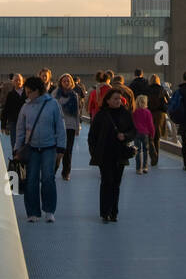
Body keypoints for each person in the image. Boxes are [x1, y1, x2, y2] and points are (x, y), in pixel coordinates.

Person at [14, 76, 66, 223]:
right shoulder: (26, 107)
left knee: (48, 179)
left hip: (49, 148)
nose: (27, 94)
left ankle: (49, 210)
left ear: (38, 91)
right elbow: (20, 130)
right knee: (31, 180)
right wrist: (17, 149)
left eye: (29, 92)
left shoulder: (53, 104)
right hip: (32, 149)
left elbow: (60, 127)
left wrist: (61, 148)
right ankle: (32, 212)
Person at [88, 86, 135, 222]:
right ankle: (105, 212)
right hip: (104, 154)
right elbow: (92, 136)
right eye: (115, 99)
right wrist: (94, 152)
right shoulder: (101, 115)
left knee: (116, 183)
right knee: (106, 181)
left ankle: (114, 212)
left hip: (120, 154)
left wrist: (125, 136)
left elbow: (133, 131)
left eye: (119, 99)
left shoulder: (125, 114)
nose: (117, 101)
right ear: (107, 100)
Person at [54, 74, 80, 180]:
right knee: (58, 150)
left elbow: (77, 113)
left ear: (71, 83)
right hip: (58, 125)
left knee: (68, 150)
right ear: (60, 82)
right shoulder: (55, 94)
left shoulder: (74, 95)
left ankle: (66, 172)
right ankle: (53, 170)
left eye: (68, 81)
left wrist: (77, 127)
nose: (66, 83)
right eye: (64, 81)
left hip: (70, 126)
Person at [146, 74, 169, 166]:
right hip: (160, 115)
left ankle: (152, 155)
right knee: (157, 137)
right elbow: (168, 101)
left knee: (149, 137)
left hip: (149, 114)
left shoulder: (146, 90)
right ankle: (156, 157)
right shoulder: (162, 90)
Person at [0, 73, 26, 151]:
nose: (18, 82)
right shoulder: (11, 95)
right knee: (15, 143)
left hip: (26, 122)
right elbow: (6, 110)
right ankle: (15, 161)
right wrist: (3, 125)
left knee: (25, 143)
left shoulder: (28, 93)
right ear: (13, 82)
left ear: (22, 81)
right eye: (16, 80)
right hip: (14, 122)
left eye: (19, 80)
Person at [132, 95, 154, 174]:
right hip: (145, 133)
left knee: (137, 151)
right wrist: (152, 133)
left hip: (136, 133)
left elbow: (132, 123)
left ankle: (138, 169)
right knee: (145, 151)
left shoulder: (134, 112)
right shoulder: (148, 112)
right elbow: (150, 124)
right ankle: (145, 167)